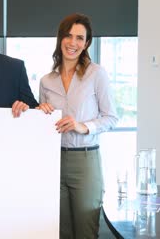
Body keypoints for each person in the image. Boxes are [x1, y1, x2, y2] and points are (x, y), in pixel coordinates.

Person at [37, 13, 118, 238]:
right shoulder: (46, 81)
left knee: (85, 232)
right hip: (54, 162)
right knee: (60, 231)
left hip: (85, 161)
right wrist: (39, 113)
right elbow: (45, 124)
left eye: (80, 38)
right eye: (68, 36)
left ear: (87, 43)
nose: (73, 43)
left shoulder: (97, 74)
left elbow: (111, 117)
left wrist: (82, 126)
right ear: (60, 38)